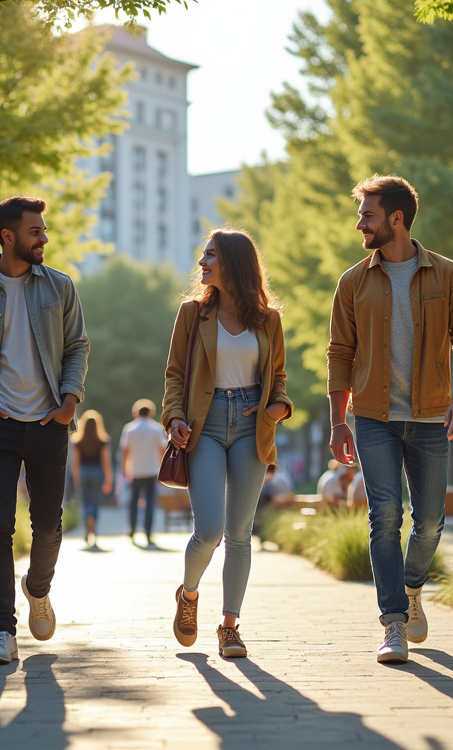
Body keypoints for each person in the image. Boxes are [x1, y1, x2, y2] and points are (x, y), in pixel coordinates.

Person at [328, 175, 453, 664]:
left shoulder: (447, 274)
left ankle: (413, 588)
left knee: (431, 521)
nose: (360, 225)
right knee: (385, 517)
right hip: (373, 416)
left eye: (368, 215)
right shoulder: (353, 282)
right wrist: (338, 421)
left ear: (396, 218)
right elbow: (339, 353)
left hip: (434, 415)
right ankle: (393, 622)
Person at [0, 195, 89, 666]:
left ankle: (38, 588)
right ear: (8, 237)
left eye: (44, 231)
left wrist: (69, 401)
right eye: (35, 232)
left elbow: (76, 347)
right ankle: (3, 631)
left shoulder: (60, 287)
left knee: (48, 527)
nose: (44, 238)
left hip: (50, 422)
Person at [165, 229, 293, 659]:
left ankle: (230, 626)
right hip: (205, 422)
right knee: (209, 531)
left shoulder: (268, 320)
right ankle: (189, 594)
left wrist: (278, 408)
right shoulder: (191, 315)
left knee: (239, 534)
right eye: (203, 254)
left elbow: (279, 378)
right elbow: (174, 375)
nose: (202, 262)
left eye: (210, 255)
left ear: (233, 263)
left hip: (250, 423)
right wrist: (174, 417)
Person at [120, 398, 168, 544]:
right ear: (151, 412)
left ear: (136, 412)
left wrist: (124, 470)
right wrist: (163, 468)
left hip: (135, 471)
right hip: (152, 470)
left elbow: (125, 451)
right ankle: (148, 532)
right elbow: (162, 450)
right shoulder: (156, 429)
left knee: (133, 502)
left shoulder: (129, 429)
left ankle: (132, 530)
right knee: (150, 502)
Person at [70, 410, 113, 548]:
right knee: (94, 502)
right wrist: (108, 479)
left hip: (83, 472)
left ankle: (86, 532)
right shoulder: (103, 440)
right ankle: (93, 531)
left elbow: (75, 462)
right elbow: (106, 461)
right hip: (97, 473)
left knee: (84, 502)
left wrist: (75, 477)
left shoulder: (78, 441)